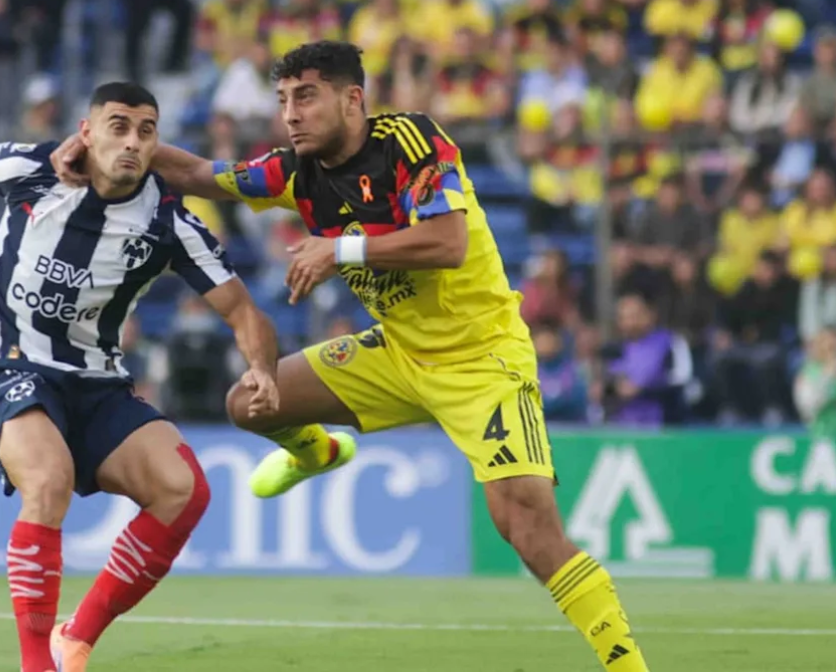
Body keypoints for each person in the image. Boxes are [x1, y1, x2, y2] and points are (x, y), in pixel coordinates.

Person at [53, 41, 651, 671]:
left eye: (306, 96)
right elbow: (204, 175)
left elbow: (447, 242)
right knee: (250, 403)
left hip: (481, 361)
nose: (290, 113)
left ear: (352, 98)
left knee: (526, 529)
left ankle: (626, 665)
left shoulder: (411, 142)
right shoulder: (295, 172)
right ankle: (320, 451)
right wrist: (97, 146)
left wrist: (340, 251)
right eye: (283, 99)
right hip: (397, 354)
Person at [0, 82, 280, 672]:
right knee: (49, 478)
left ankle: (77, 637)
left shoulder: (169, 224)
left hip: (97, 381)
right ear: (86, 132)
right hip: (8, 366)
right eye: (117, 126)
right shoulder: (33, 168)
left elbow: (242, 309)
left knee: (183, 491)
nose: (132, 141)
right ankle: (36, 665)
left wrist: (262, 369)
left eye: (146, 130)